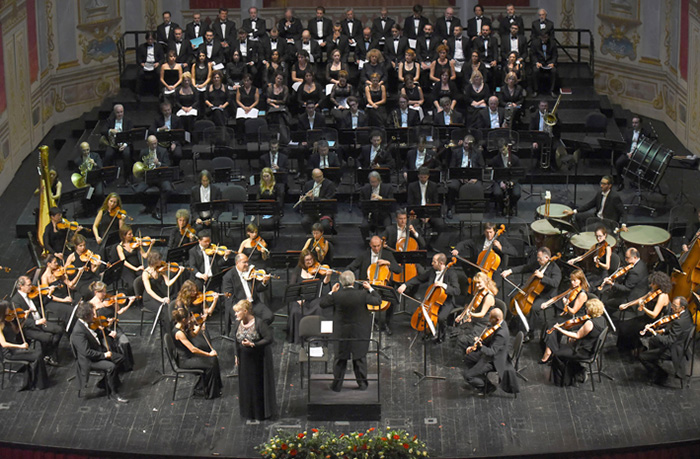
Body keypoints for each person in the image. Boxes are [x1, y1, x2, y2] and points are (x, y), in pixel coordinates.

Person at [320, 271, 381, 391]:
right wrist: (370, 289)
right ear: (353, 281)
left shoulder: (336, 296)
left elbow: (322, 303)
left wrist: (332, 291)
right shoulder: (362, 294)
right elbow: (378, 301)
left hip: (341, 332)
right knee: (359, 357)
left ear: (341, 283)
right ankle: (362, 384)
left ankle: (336, 386)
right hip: (359, 331)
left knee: (340, 358)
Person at [70, 301, 128, 403]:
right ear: (86, 316)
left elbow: (96, 334)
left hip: (97, 351)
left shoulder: (88, 323)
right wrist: (104, 355)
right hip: (89, 360)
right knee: (111, 367)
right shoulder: (78, 331)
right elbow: (87, 352)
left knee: (121, 358)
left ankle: (104, 382)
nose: (95, 316)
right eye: (92, 314)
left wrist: (108, 332)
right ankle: (113, 393)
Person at [501, 247, 562, 341]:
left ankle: (530, 332)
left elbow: (555, 283)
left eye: (540, 258)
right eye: (537, 258)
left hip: (546, 296)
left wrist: (543, 277)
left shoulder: (555, 269)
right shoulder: (538, 264)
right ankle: (512, 322)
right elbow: (526, 267)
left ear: (547, 258)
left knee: (534, 308)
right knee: (514, 297)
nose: (537, 260)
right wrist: (510, 271)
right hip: (533, 291)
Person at [397, 253, 460, 342]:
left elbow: (457, 291)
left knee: (441, 318)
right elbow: (419, 278)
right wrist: (405, 285)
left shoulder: (451, 273)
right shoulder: (432, 271)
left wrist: (444, 285)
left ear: (441, 263)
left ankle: (441, 337)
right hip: (431, 300)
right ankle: (428, 332)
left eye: (434, 262)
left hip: (446, 301)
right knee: (425, 314)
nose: (431, 263)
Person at [544, 299, 606, 387]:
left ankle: (567, 379)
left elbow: (577, 335)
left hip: (583, 351)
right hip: (591, 348)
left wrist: (560, 329)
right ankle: (578, 370)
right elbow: (590, 335)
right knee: (562, 349)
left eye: (587, 308)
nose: (586, 309)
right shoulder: (602, 319)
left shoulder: (590, 323)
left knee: (557, 354)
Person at [231, 299, 276, 419]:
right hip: (244, 359)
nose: (236, 314)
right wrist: (236, 355)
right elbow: (235, 340)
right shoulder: (238, 323)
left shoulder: (259, 323)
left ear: (245, 311)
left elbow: (269, 338)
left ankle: (258, 412)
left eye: (238, 312)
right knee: (246, 385)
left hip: (257, 360)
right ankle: (247, 411)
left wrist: (253, 344)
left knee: (256, 385)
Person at [346, 236, 401, 333]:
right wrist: (347, 276)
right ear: (370, 245)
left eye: (379, 246)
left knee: (393, 300)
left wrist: (388, 263)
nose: (377, 249)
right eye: (374, 246)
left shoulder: (387, 254)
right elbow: (351, 267)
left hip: (383, 285)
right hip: (367, 285)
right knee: (360, 299)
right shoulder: (364, 255)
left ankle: (387, 323)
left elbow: (398, 270)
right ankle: (370, 321)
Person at [461, 308, 519, 396]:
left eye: (491, 318)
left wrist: (480, 346)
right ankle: (480, 377)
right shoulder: (501, 324)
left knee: (468, 376)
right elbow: (490, 341)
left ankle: (488, 387)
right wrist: (477, 343)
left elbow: (491, 352)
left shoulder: (501, 334)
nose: (489, 319)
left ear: (497, 319)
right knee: (468, 358)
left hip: (494, 360)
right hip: (489, 354)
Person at [639, 296, 695, 386]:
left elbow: (668, 341)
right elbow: (676, 329)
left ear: (682, 308)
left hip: (673, 350)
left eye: (675, 306)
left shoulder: (679, 322)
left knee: (642, 356)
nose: (672, 308)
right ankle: (655, 361)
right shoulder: (687, 314)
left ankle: (660, 374)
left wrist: (654, 333)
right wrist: (663, 330)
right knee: (653, 341)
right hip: (679, 343)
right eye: (672, 304)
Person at [616, 271, 671, 356]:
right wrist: (627, 305)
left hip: (653, 323)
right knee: (623, 325)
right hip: (645, 318)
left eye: (653, 284)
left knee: (630, 329)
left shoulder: (663, 296)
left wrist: (644, 308)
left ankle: (634, 349)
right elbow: (641, 299)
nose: (651, 285)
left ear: (659, 284)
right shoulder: (654, 292)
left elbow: (654, 315)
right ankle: (625, 349)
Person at [171, 307, 222, 399]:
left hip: (191, 356)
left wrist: (201, 323)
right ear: (183, 319)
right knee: (210, 365)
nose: (190, 319)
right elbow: (193, 349)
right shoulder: (179, 333)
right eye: (188, 318)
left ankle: (215, 387)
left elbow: (193, 334)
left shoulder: (183, 326)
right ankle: (201, 389)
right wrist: (208, 354)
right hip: (185, 360)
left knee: (214, 360)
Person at [12, 275, 64, 364]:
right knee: (48, 337)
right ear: (21, 286)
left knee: (59, 330)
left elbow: (41, 304)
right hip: (28, 328)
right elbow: (19, 320)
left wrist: (49, 294)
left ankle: (48, 354)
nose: (31, 287)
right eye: (29, 285)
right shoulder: (16, 301)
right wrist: (36, 322)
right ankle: (47, 355)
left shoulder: (31, 294)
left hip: (40, 321)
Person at [0, 300, 49, 391]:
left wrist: (24, 319)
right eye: (7, 308)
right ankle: (37, 384)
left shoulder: (8, 320)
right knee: (37, 356)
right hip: (10, 353)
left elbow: (16, 331)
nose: (9, 310)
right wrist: (21, 346)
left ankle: (40, 382)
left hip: (16, 348)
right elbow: (4, 344)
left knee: (38, 354)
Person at [87, 281, 135, 372]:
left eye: (105, 291)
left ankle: (127, 366)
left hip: (114, 327)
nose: (105, 294)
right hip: (103, 331)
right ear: (96, 292)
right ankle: (115, 368)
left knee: (125, 342)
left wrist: (130, 303)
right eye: (102, 292)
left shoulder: (110, 299)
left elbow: (119, 312)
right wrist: (107, 326)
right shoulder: (92, 304)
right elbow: (94, 323)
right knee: (108, 348)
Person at [287, 249, 330, 345]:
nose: (310, 262)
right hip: (300, 298)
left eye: (311, 259)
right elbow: (292, 286)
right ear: (303, 261)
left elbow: (324, 283)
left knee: (319, 309)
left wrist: (328, 276)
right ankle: (299, 337)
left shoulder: (317, 268)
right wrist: (298, 299)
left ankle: (317, 336)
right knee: (295, 311)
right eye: (307, 260)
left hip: (314, 298)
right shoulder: (298, 270)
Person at [222, 254, 274, 332]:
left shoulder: (251, 272)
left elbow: (258, 289)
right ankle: (250, 332)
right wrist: (239, 309)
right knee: (245, 321)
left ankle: (255, 331)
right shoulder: (228, 277)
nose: (247, 265)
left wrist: (264, 282)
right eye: (244, 262)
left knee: (269, 316)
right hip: (241, 306)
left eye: (247, 262)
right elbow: (229, 298)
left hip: (254, 303)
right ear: (237, 263)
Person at [451, 222, 516, 283]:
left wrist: (500, 247)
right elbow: (464, 243)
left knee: (494, 285)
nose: (489, 235)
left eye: (491, 232)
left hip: (494, 270)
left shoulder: (501, 240)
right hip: (479, 266)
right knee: (464, 263)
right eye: (487, 232)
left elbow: (514, 251)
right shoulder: (479, 239)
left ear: (495, 231)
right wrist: (456, 250)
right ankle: (471, 281)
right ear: (484, 231)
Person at [133, 135, 174, 220]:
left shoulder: (163, 151)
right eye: (152, 144)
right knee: (138, 191)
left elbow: (168, 165)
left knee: (168, 189)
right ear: (148, 144)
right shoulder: (143, 152)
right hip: (148, 177)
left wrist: (159, 163)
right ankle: (150, 206)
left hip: (161, 177)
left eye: (155, 143)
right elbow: (140, 164)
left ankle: (158, 208)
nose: (154, 146)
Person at [455, 272, 498, 350]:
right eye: (476, 283)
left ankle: (467, 353)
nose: (477, 285)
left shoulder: (488, 297)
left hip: (483, 324)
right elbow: (470, 305)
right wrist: (461, 315)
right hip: (476, 321)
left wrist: (471, 314)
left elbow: (482, 314)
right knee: (458, 332)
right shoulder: (479, 292)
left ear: (485, 281)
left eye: (479, 283)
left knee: (464, 339)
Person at [446, 134, 485, 218]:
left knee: (478, 187)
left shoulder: (477, 153)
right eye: (465, 143)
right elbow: (452, 167)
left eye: (469, 144)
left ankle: (475, 210)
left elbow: (482, 167)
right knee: (452, 187)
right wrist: (459, 177)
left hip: (473, 177)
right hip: (459, 176)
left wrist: (475, 178)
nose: (467, 145)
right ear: (463, 142)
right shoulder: (456, 152)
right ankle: (449, 209)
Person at [600, 247, 649, 312]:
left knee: (607, 302)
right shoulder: (642, 263)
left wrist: (612, 283)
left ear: (635, 257)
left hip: (632, 296)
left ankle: (610, 314)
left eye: (627, 258)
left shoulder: (635, 272)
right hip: (641, 289)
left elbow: (627, 289)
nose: (625, 260)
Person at [406, 167, 445, 237]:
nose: (423, 179)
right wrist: (420, 216)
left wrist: (428, 216)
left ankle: (436, 241)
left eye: (425, 177)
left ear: (428, 176)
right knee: (410, 224)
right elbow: (410, 203)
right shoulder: (412, 186)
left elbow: (435, 202)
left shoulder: (433, 186)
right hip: (417, 212)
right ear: (418, 176)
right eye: (421, 177)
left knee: (440, 224)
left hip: (430, 211)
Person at [39, 255, 77, 324]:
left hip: (64, 295)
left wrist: (65, 276)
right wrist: (64, 300)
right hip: (56, 300)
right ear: (49, 264)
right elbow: (49, 296)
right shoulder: (44, 278)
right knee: (72, 311)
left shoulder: (58, 271)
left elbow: (70, 284)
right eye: (55, 262)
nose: (57, 264)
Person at [100, 104, 134, 182]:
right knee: (108, 155)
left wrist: (125, 145)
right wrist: (110, 130)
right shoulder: (110, 120)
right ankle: (107, 176)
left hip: (124, 144)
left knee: (126, 154)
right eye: (118, 112)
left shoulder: (128, 121)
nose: (120, 114)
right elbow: (102, 130)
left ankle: (127, 176)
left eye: (121, 112)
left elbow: (131, 135)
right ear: (114, 113)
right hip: (113, 145)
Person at [64, 234, 102, 301]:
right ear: (76, 246)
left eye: (84, 245)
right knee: (90, 291)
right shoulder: (72, 257)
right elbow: (65, 270)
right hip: (81, 281)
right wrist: (69, 282)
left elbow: (93, 270)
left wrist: (97, 265)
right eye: (80, 246)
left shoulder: (89, 253)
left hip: (91, 277)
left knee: (100, 288)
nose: (83, 247)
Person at [359, 171, 394, 241]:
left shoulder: (388, 188)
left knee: (389, 227)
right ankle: (367, 243)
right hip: (370, 214)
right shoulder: (364, 189)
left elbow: (391, 202)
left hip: (384, 214)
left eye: (375, 182)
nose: (373, 184)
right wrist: (369, 201)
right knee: (363, 226)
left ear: (379, 180)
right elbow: (360, 204)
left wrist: (380, 198)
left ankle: (386, 243)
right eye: (371, 182)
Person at [489, 139, 522, 215]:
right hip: (500, 180)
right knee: (497, 193)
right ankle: (502, 207)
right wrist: (500, 182)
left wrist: (512, 182)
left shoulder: (515, 159)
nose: (502, 151)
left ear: (507, 147)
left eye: (503, 149)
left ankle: (510, 207)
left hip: (512, 180)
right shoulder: (495, 160)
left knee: (517, 194)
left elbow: (518, 174)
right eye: (500, 150)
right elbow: (494, 174)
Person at [116, 225, 151, 294]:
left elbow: (145, 255)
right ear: (124, 236)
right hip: (127, 269)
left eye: (132, 233)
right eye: (129, 234)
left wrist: (150, 246)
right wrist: (136, 269)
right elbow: (124, 262)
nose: (132, 235)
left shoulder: (136, 243)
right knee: (132, 286)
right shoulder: (119, 247)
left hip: (137, 266)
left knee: (145, 279)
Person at [615, 116, 648, 190]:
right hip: (628, 153)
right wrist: (627, 153)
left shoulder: (645, 133)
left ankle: (636, 183)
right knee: (618, 163)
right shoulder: (628, 132)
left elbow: (645, 148)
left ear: (640, 123)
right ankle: (620, 182)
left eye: (636, 123)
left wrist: (635, 154)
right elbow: (625, 144)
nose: (634, 124)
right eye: (633, 123)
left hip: (639, 156)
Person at [300, 168, 337, 234]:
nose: (320, 178)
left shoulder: (329, 184)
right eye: (317, 177)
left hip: (325, 211)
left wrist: (314, 198)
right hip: (312, 211)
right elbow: (304, 198)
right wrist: (304, 200)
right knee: (304, 222)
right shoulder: (308, 184)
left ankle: (325, 237)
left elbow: (327, 200)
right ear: (313, 177)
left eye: (321, 176)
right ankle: (312, 236)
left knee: (325, 225)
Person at [149, 101, 183, 168]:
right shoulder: (157, 119)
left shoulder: (177, 119)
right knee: (161, 153)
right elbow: (151, 130)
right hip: (161, 142)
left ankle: (176, 168)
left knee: (178, 154)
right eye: (165, 111)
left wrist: (175, 144)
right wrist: (160, 129)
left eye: (168, 110)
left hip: (174, 141)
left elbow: (180, 133)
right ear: (162, 111)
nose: (167, 112)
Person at [190, 170, 222, 238]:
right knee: (198, 228)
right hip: (199, 217)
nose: (205, 182)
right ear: (200, 180)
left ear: (209, 180)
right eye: (203, 181)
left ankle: (216, 243)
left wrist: (213, 218)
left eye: (206, 180)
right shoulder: (194, 190)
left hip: (211, 217)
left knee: (215, 226)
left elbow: (218, 207)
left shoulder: (216, 190)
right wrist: (197, 218)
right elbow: (192, 207)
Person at [135, 31, 164, 99]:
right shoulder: (141, 47)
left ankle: (160, 92)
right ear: (146, 39)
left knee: (159, 72)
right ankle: (138, 93)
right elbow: (138, 58)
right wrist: (141, 63)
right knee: (140, 73)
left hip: (155, 63)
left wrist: (158, 63)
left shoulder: (158, 46)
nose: (150, 41)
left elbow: (162, 58)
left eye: (152, 39)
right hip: (145, 63)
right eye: (149, 39)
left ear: (154, 39)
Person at [530, 33, 558, 97]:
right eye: (543, 38)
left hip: (549, 62)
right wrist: (536, 62)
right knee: (535, 71)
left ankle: (552, 90)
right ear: (540, 37)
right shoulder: (535, 43)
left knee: (554, 71)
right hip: (539, 62)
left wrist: (553, 63)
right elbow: (533, 54)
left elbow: (555, 55)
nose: (545, 39)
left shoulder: (553, 43)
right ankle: (536, 90)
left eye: (546, 37)